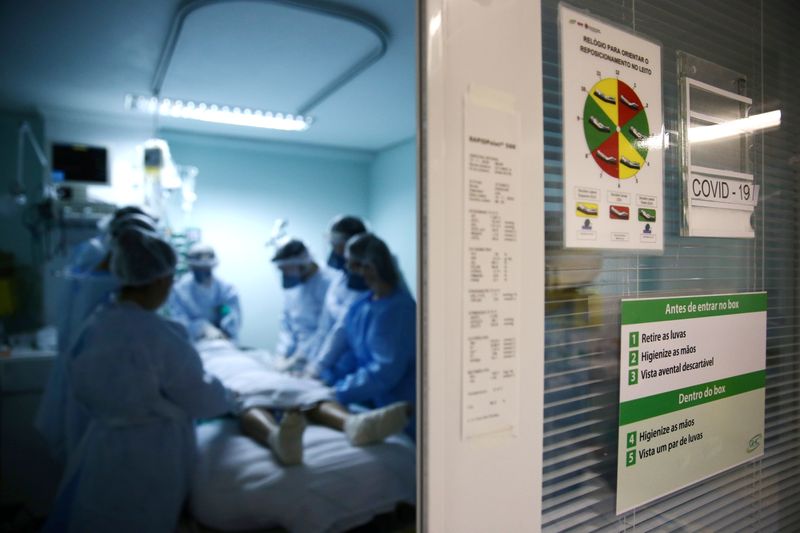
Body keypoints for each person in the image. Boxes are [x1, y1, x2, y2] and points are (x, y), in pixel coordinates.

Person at [43, 228, 232, 533]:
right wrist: (229, 397)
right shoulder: (159, 334)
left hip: (103, 446)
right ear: (160, 280)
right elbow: (201, 397)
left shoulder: (95, 324)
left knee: (98, 516)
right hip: (151, 453)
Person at [36, 209, 159, 465]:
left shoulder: (91, 259)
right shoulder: (102, 269)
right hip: (95, 378)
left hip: (85, 373)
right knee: (89, 452)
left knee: (82, 454)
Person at [315, 233, 416, 439]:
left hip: (401, 406)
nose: (348, 272)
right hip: (373, 400)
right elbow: (351, 350)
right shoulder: (362, 304)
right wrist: (326, 378)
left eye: (353, 265)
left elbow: (384, 372)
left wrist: (339, 392)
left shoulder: (399, 309)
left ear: (370, 267)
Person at [301, 214, 369, 375]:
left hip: (357, 368)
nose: (333, 247)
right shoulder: (341, 278)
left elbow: (343, 328)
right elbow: (324, 327)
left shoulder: (366, 281)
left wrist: (318, 366)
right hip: (338, 368)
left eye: (336, 242)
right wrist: (310, 362)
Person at [271, 238, 331, 369]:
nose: (283, 275)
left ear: (303, 264)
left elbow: (326, 329)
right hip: (295, 358)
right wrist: (282, 355)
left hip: (320, 359)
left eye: (285, 269)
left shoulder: (329, 283)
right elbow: (287, 324)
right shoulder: (294, 287)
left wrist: (301, 356)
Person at [166, 242, 242, 342]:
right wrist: (201, 328)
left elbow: (231, 314)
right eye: (199, 269)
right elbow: (179, 321)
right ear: (191, 267)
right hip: (192, 344)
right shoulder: (179, 291)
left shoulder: (226, 289)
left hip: (223, 342)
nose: (204, 273)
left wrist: (224, 330)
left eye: (207, 269)